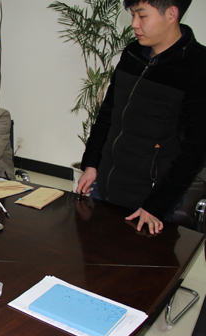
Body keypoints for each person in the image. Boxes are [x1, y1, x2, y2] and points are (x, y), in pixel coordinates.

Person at [76, 0, 206, 234]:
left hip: (149, 199)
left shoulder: (198, 66)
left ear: (171, 14)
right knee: (94, 250)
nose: (134, 24)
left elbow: (196, 148)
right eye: (133, 14)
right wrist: (92, 164)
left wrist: (157, 205)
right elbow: (107, 113)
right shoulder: (133, 53)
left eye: (142, 16)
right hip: (105, 184)